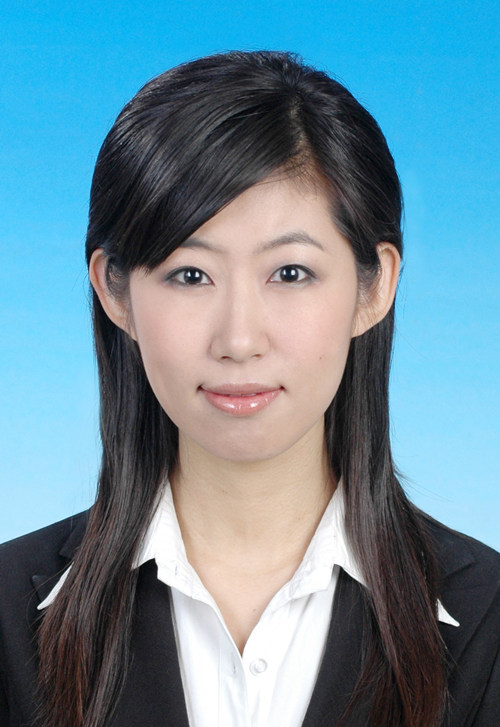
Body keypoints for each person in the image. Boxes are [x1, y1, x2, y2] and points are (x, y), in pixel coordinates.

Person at [0, 50, 498, 727]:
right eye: (190, 275)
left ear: (375, 286)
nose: (239, 339)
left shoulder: (487, 618)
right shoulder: (9, 614)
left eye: (290, 273)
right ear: (115, 292)